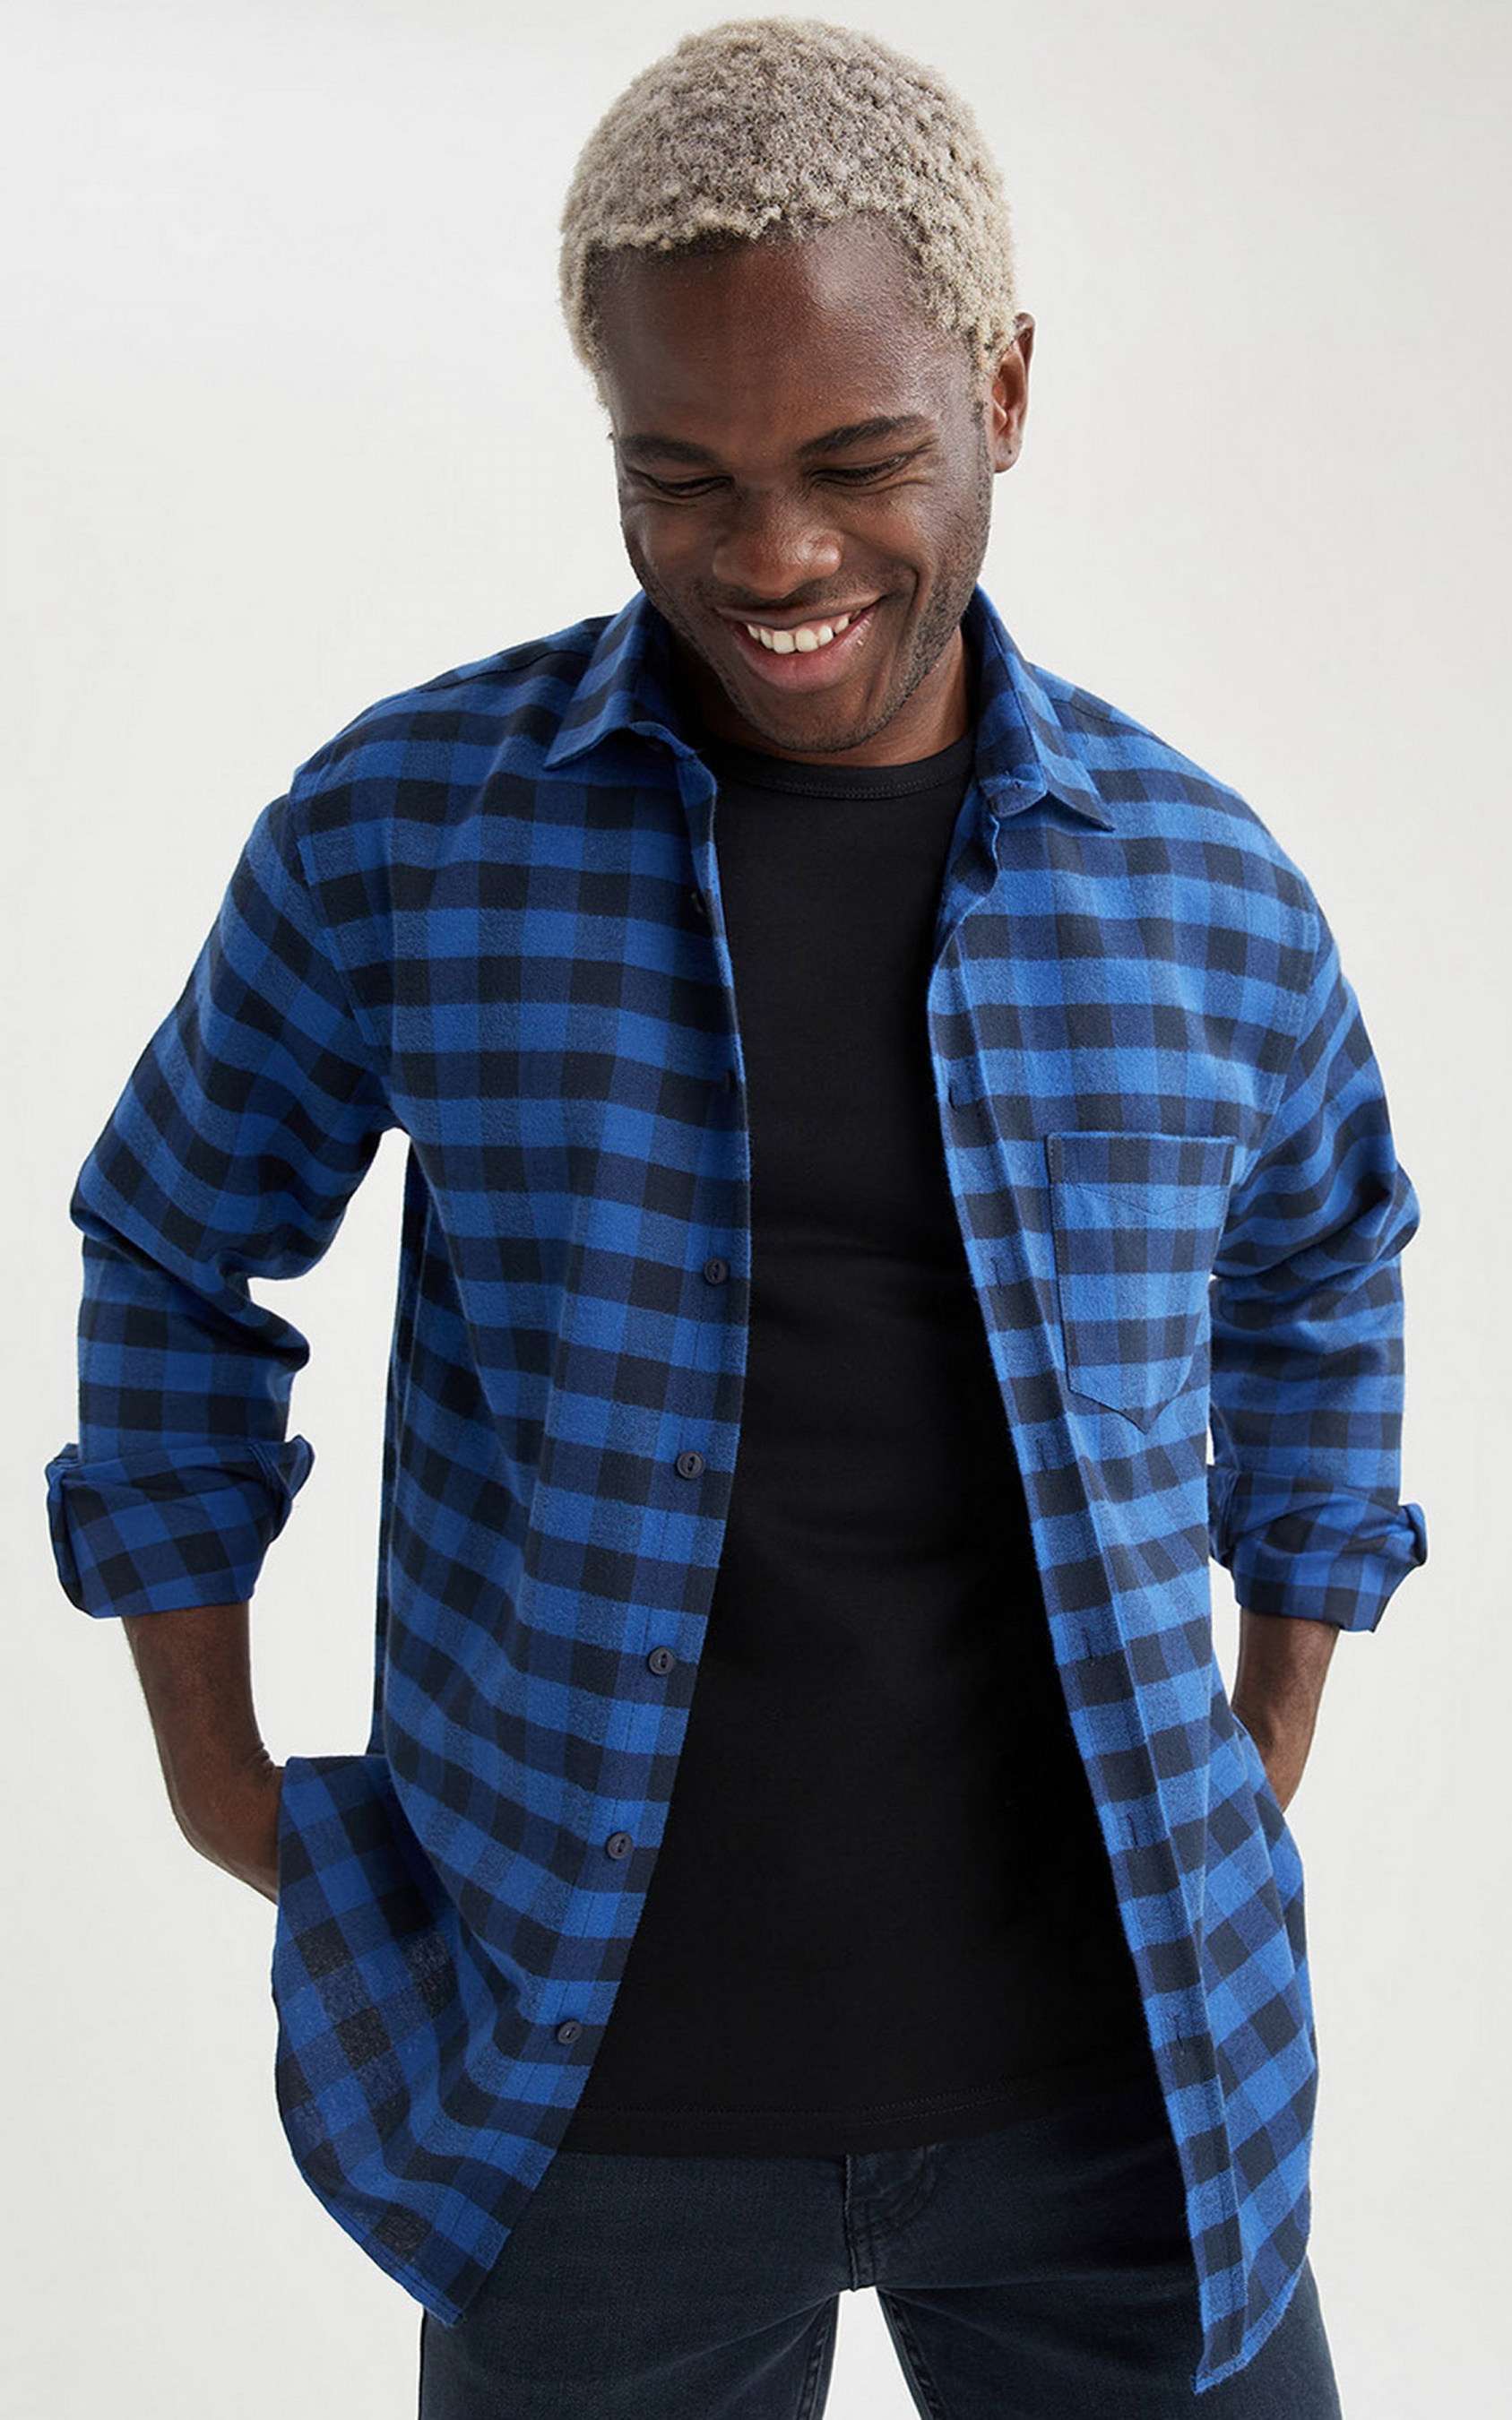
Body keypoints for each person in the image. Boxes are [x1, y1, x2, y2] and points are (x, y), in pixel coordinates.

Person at [46, 18, 1428, 2414]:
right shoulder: (411, 832)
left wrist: (1266, 1721)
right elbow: (175, 1238)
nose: (774, 558)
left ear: (1004, 390)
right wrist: (213, 1766)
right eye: (677, 477)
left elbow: (1323, 1269)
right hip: (584, 2104)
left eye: (857, 461)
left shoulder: (1201, 889)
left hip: (1118, 2081)